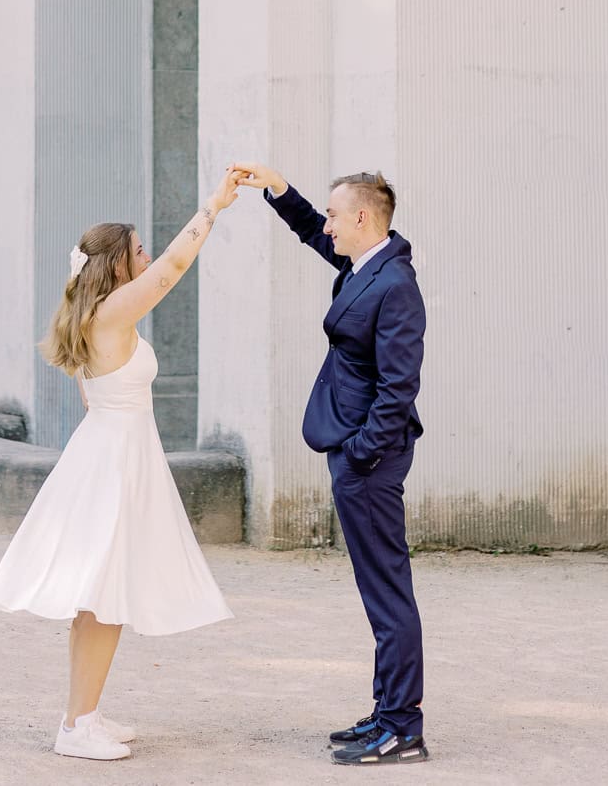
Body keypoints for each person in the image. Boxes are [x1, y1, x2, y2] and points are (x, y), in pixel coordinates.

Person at [0, 168, 239, 761]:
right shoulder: (116, 311)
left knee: (104, 594)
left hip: (112, 451)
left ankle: (84, 712)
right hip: (116, 459)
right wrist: (212, 209)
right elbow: (173, 269)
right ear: (118, 265)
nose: (147, 255)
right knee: (104, 596)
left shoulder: (99, 312)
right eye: (138, 249)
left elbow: (92, 395)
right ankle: (76, 725)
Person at [233, 163, 428, 766]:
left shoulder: (395, 284)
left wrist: (360, 454)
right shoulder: (364, 263)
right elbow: (314, 234)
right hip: (352, 450)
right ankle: (385, 711)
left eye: (337, 214)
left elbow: (399, 388)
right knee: (378, 592)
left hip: (369, 459)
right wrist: (278, 191)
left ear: (364, 217)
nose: (330, 224)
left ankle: (403, 726)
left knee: (388, 593)